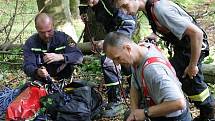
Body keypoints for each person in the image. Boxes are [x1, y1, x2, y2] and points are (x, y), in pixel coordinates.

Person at [114, 0, 215, 120]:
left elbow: (197, 34)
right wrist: (154, 34)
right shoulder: (149, 9)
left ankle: (208, 113)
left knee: (188, 82)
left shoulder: (160, 9)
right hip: (183, 48)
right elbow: (170, 25)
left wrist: (193, 65)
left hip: (193, 48)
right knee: (182, 80)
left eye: (125, 6)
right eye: (121, 9)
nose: (125, 12)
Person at [103, 32, 192, 121]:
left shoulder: (153, 70)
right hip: (158, 111)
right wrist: (134, 112)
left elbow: (178, 103)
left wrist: (145, 112)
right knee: (128, 115)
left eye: (117, 58)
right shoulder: (140, 52)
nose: (116, 63)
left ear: (128, 48)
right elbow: (134, 87)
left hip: (173, 117)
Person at [79, 0, 136, 117]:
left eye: (91, 1)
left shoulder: (112, 3)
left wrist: (111, 42)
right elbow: (85, 3)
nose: (89, 3)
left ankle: (117, 101)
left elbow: (129, 22)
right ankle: (133, 89)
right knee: (123, 62)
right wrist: (83, 11)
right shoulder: (94, 3)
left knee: (108, 61)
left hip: (121, 31)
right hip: (112, 30)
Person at [23, 13, 83, 84]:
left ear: (53, 25)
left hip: (64, 80)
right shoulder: (31, 43)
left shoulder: (64, 38)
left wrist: (61, 57)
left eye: (49, 31)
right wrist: (37, 72)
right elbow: (27, 65)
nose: (46, 35)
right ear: (36, 28)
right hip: (40, 81)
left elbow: (78, 56)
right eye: (42, 32)